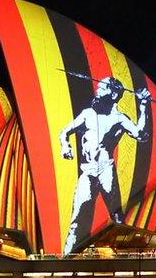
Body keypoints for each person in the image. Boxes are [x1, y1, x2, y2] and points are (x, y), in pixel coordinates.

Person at [58, 77, 150, 254]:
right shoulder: (87, 114)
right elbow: (65, 132)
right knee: (76, 219)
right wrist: (65, 145)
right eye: (98, 87)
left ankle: (125, 255)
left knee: (117, 217)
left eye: (103, 88)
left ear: (115, 94)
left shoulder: (119, 119)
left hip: (106, 169)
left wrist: (143, 106)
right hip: (88, 170)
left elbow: (141, 134)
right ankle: (65, 259)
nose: (98, 90)